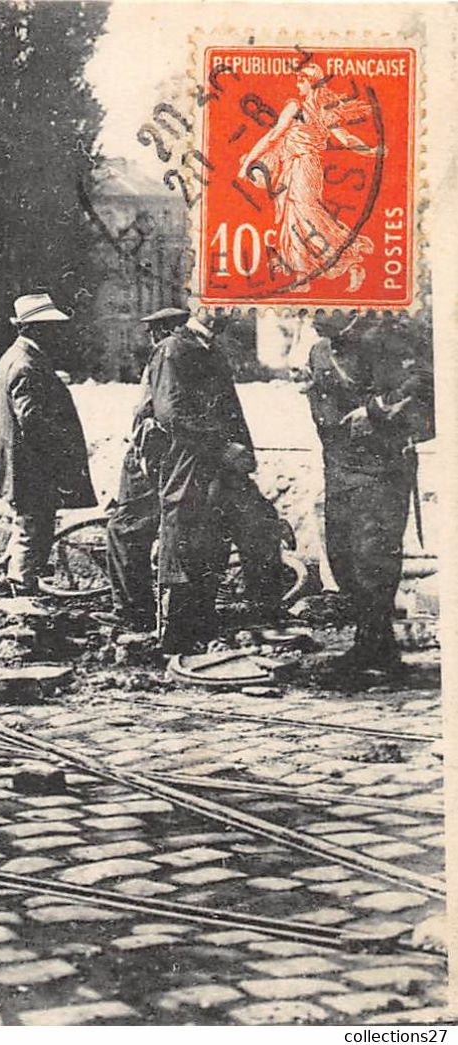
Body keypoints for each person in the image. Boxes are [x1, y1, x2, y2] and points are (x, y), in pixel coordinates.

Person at [149, 313, 288, 651]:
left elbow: (232, 411)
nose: (226, 312)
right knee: (189, 544)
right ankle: (180, 639)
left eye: (232, 306)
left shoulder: (212, 350)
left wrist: (245, 455)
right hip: (192, 465)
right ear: (198, 304)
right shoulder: (173, 350)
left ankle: (258, 622)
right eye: (218, 303)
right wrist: (222, 447)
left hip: (226, 468)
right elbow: (171, 415)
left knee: (261, 528)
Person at [305, 313, 434, 675]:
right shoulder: (318, 351)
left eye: (320, 305)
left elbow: (422, 380)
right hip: (339, 468)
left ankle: (376, 649)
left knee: (373, 558)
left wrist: (374, 412)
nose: (311, 313)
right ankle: (372, 644)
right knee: (342, 556)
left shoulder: (383, 338)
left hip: (381, 469)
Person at [0, 294, 96, 592]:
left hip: (24, 461)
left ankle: (13, 574)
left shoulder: (16, 356)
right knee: (34, 523)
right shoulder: (26, 364)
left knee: (27, 521)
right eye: (49, 327)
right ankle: (21, 586)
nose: (56, 333)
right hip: (31, 464)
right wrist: (60, 453)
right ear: (33, 329)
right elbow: (31, 421)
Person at [237, 63, 376, 293]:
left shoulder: (297, 107)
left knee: (306, 215)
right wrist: (370, 151)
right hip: (298, 167)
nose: (297, 85)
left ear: (311, 83)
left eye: (301, 81)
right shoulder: (323, 112)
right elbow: (347, 140)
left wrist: (247, 164)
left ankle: (348, 262)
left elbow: (273, 136)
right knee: (294, 218)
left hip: (303, 167)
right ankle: (303, 275)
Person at [101, 306, 189, 629]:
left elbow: (158, 415)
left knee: (123, 531)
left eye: (155, 330)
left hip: (153, 458)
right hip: (163, 458)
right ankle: (141, 610)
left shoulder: (164, 357)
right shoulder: (187, 356)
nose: (151, 337)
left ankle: (132, 612)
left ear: (161, 332)